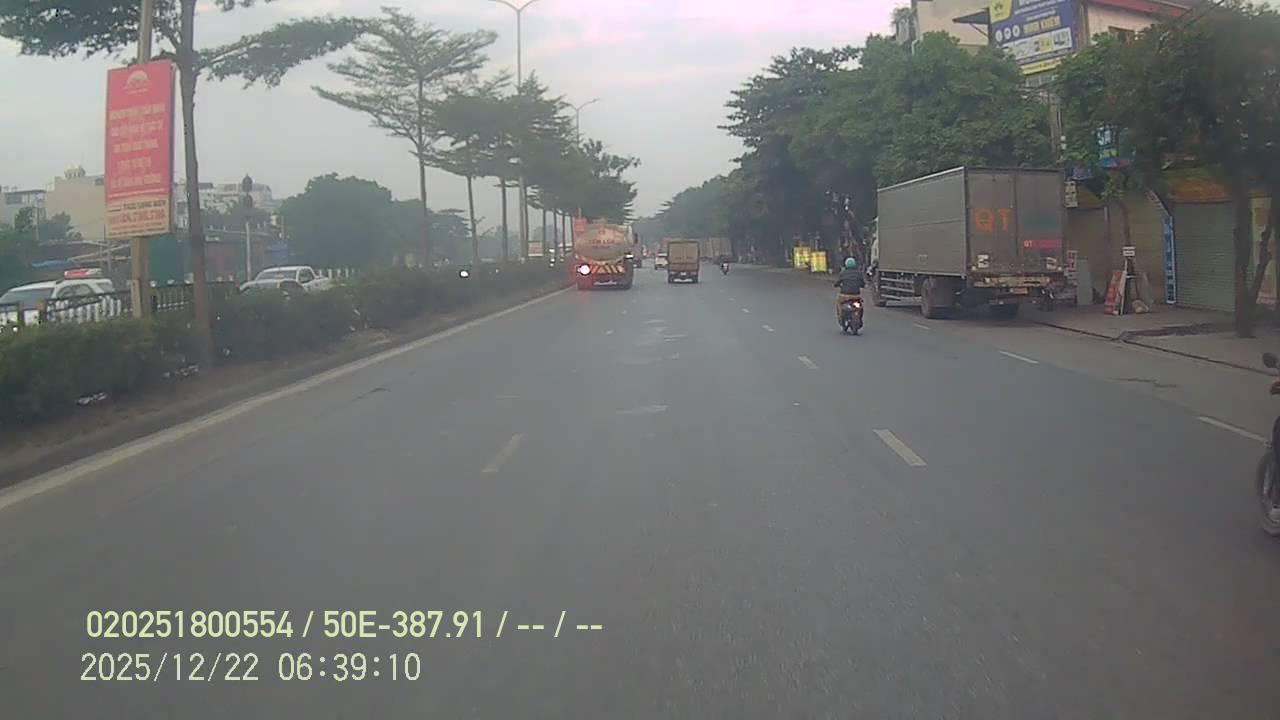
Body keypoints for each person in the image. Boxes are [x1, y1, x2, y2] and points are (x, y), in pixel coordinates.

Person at [833, 256, 864, 320]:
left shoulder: (843, 273)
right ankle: (860, 318)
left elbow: (837, 282)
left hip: (845, 294)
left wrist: (836, 285)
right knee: (861, 305)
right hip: (856, 295)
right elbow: (863, 283)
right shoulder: (859, 273)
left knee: (839, 302)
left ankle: (840, 316)